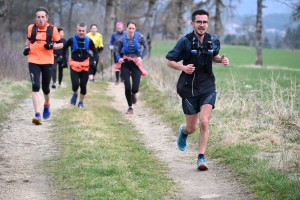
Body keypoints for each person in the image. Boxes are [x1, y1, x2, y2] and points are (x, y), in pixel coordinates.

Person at [166, 9, 229, 170]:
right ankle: (184, 132)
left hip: (207, 85)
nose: (202, 25)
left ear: (208, 23)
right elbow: (170, 61)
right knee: (192, 127)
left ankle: (201, 158)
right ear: (192, 23)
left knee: (205, 121)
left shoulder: (213, 40)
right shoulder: (185, 42)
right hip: (189, 88)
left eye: (205, 22)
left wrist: (221, 59)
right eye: (199, 22)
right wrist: (183, 67)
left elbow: (213, 55)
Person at [23, 6, 63, 125]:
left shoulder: (52, 29)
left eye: (43, 17)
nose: (40, 19)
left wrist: (52, 47)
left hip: (47, 61)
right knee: (35, 86)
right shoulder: (31, 28)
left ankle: (47, 105)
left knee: (46, 88)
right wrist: (26, 48)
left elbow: (60, 44)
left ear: (47, 18)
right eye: (38, 17)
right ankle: (37, 114)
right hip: (33, 59)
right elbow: (28, 40)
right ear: (36, 18)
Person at [61, 23, 98, 108]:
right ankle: (75, 93)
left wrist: (94, 61)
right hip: (74, 64)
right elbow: (64, 49)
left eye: (83, 31)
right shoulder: (71, 39)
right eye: (79, 31)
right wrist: (64, 60)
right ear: (76, 30)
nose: (81, 32)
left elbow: (95, 52)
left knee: (83, 85)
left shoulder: (89, 40)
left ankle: (81, 102)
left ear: (86, 31)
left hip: (85, 65)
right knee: (75, 84)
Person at [115, 21, 149, 114]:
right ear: (126, 29)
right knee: (127, 87)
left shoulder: (139, 37)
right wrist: (119, 58)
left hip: (136, 64)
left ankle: (133, 94)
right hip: (125, 63)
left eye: (133, 28)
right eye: (129, 28)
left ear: (135, 29)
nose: (131, 30)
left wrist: (141, 57)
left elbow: (146, 47)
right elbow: (117, 51)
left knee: (135, 88)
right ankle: (130, 107)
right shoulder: (122, 39)